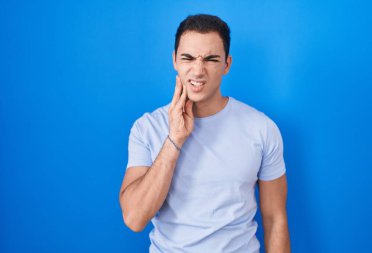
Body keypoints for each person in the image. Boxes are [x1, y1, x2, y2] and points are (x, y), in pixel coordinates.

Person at [119, 14, 291, 253]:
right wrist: (174, 139)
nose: (198, 71)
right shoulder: (146, 127)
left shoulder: (262, 128)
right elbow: (134, 218)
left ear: (226, 65)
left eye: (210, 59)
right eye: (187, 58)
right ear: (174, 61)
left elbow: (275, 219)